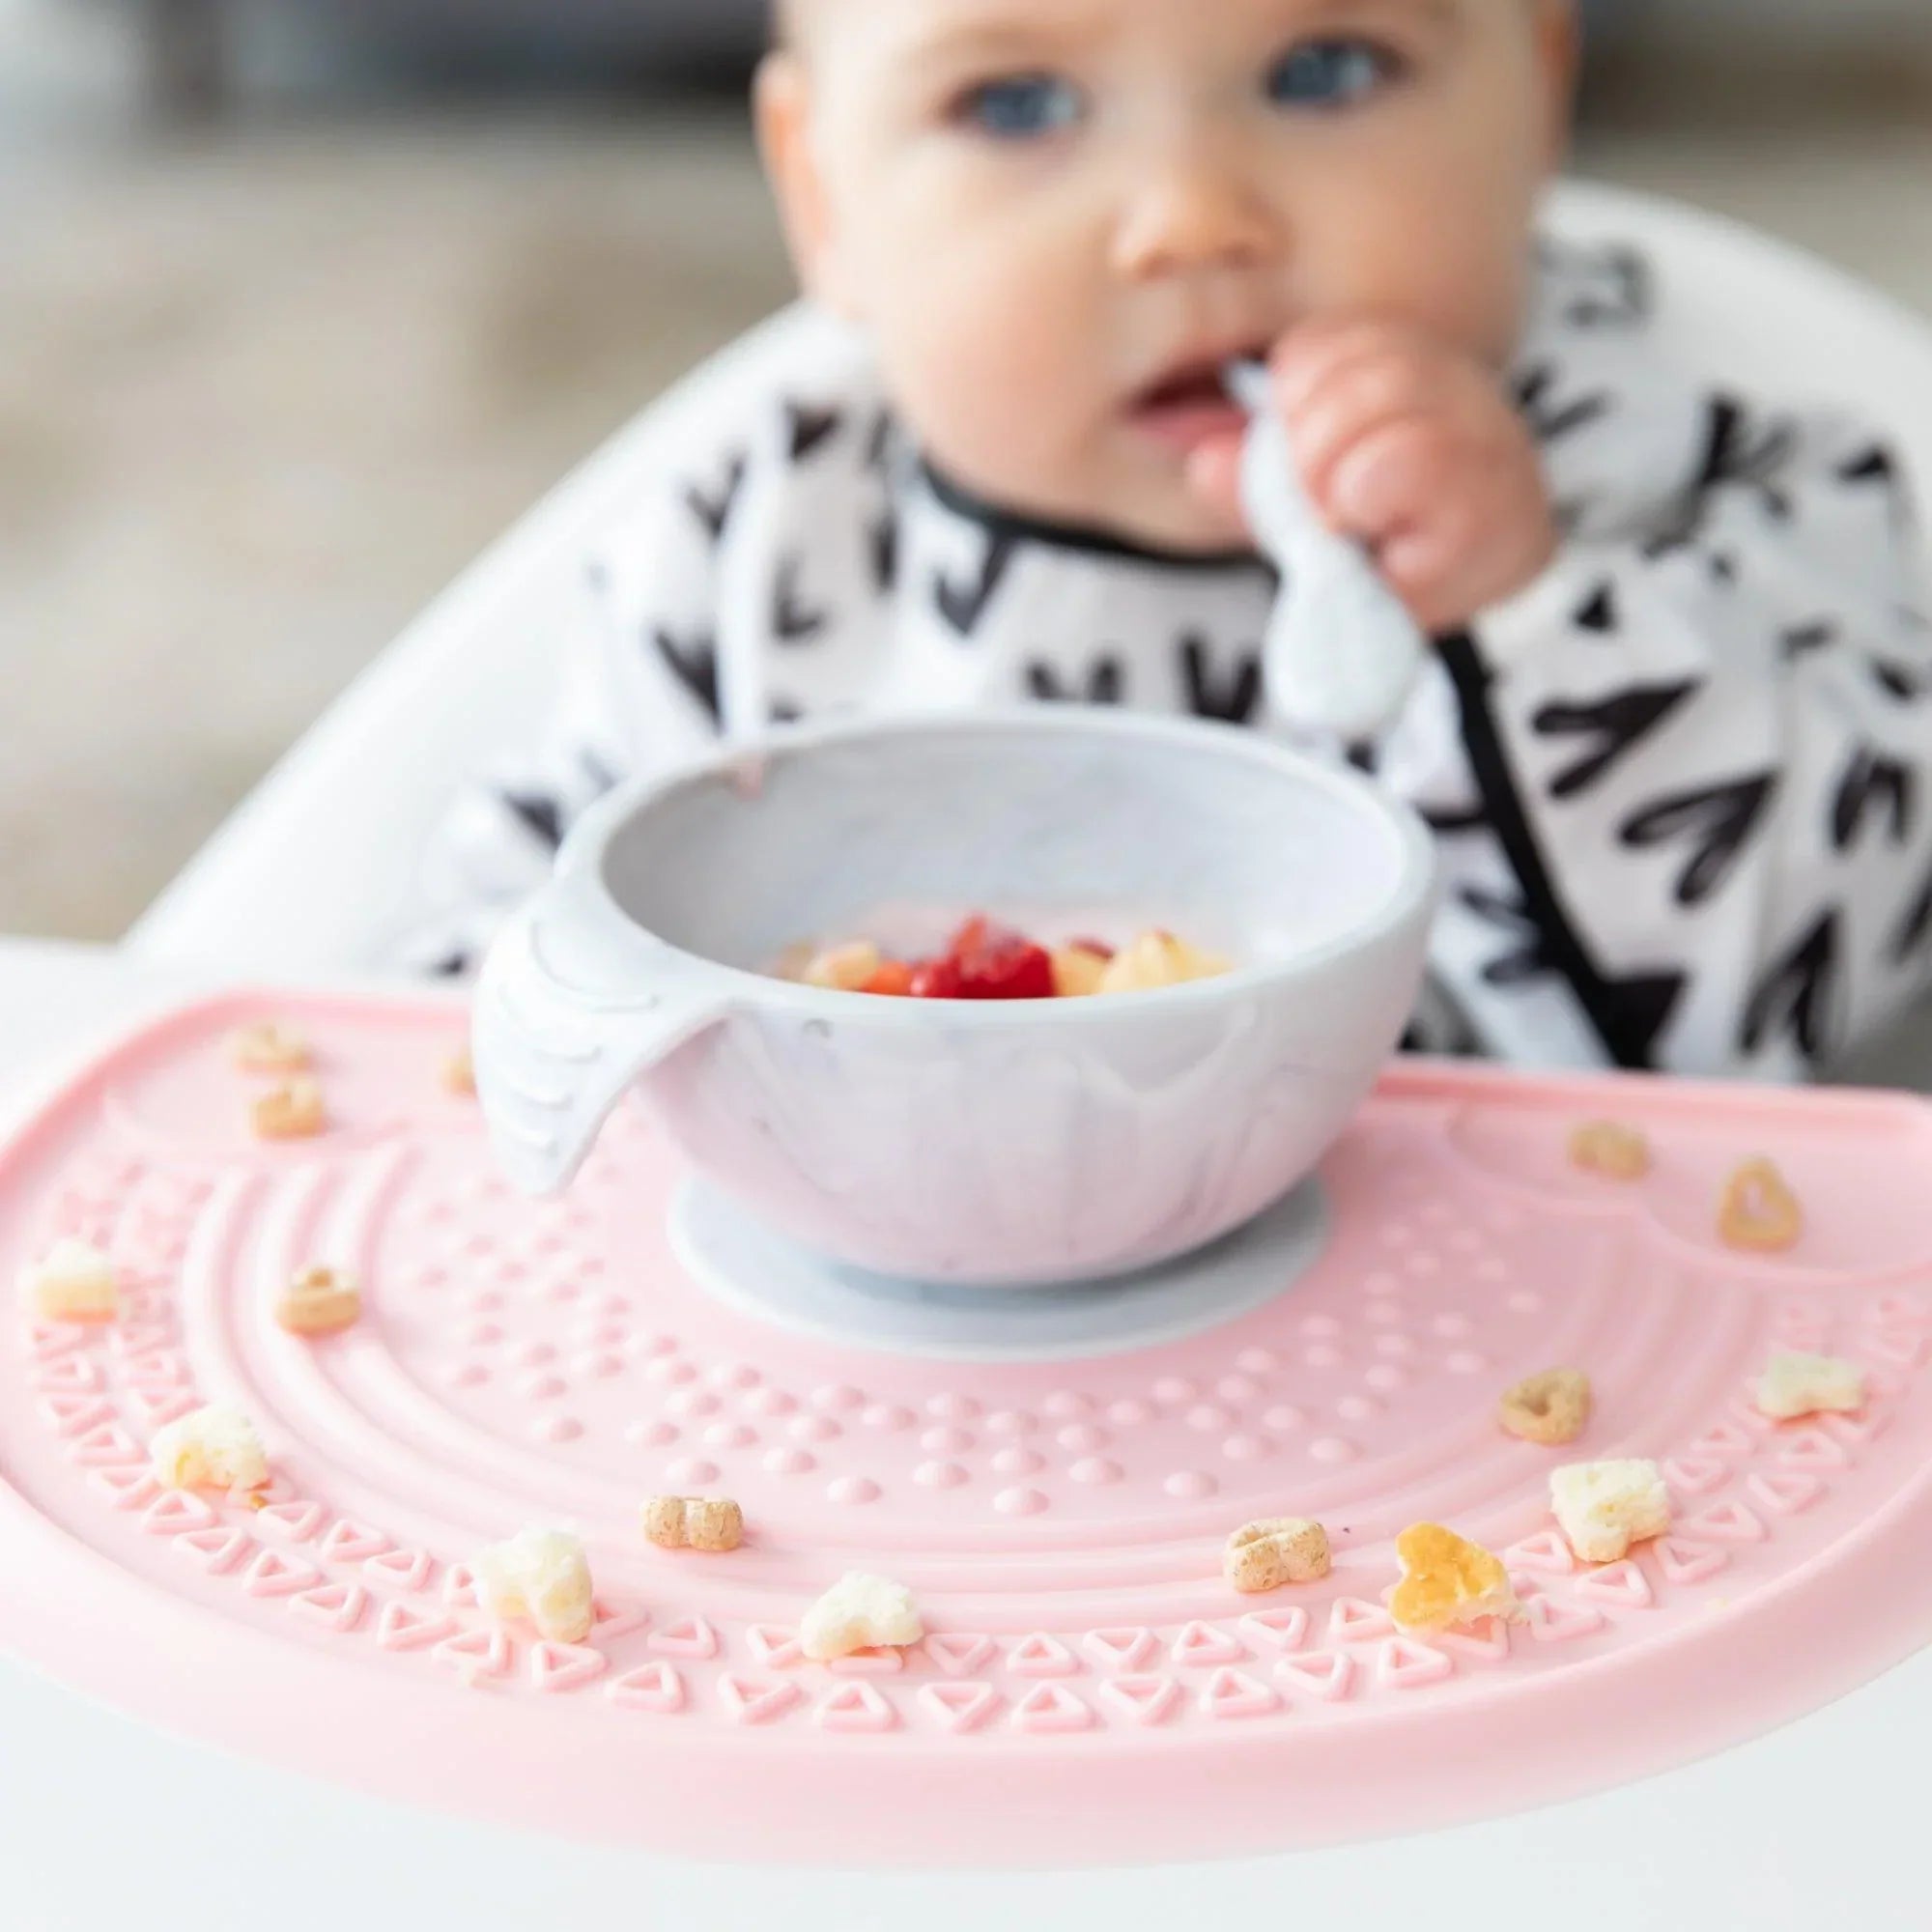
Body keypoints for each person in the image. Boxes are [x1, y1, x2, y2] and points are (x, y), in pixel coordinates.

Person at [412, 0, 1930, 1080]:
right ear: (823, 195)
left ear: (1538, 91)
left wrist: (1521, 614)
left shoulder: (1724, 492)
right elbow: (501, 985)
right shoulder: (758, 550)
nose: (1193, 218)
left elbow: (1807, 1017)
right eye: (1016, 104)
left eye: (1325, 69)